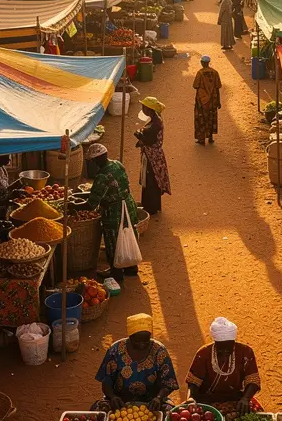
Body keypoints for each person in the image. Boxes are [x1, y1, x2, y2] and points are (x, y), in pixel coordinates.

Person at [93, 314, 179, 414]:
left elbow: (168, 383)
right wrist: (112, 397)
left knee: (170, 413)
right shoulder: (115, 350)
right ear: (130, 337)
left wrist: (159, 398)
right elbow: (106, 382)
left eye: (146, 341)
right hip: (120, 401)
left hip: (152, 402)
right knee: (99, 410)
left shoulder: (159, 351)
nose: (142, 344)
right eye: (137, 341)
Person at [186, 317, 263, 415]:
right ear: (215, 343)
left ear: (233, 343)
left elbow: (253, 380)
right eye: (220, 348)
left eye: (228, 347)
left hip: (236, 399)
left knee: (256, 413)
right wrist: (191, 398)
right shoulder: (203, 353)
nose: (225, 351)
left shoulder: (245, 352)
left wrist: (246, 398)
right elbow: (193, 382)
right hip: (206, 400)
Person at [85, 143, 140, 280]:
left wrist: (72, 206)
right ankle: (131, 268)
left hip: (114, 211)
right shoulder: (117, 164)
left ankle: (116, 273)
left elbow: (91, 204)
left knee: (113, 241)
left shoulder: (102, 176)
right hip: (129, 204)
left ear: (97, 160)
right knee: (129, 234)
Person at [134, 97, 171, 215]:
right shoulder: (155, 120)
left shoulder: (155, 123)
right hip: (152, 155)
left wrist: (139, 136)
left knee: (151, 181)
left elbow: (149, 140)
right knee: (151, 180)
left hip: (153, 157)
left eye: (144, 107)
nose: (142, 109)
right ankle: (150, 205)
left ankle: (151, 208)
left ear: (149, 109)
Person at [193, 56, 222, 145]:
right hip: (213, 100)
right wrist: (218, 101)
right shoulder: (215, 72)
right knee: (211, 118)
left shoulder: (200, 73)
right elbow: (217, 87)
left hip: (202, 100)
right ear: (209, 62)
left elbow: (195, 86)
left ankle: (201, 139)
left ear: (202, 62)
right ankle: (210, 138)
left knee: (201, 118)